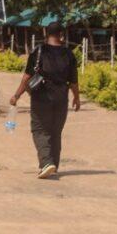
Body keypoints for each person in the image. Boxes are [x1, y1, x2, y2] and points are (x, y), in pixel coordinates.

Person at [10, 22, 81, 179]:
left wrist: (16, 95)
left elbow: (27, 77)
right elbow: (74, 81)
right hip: (61, 97)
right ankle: (53, 164)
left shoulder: (38, 51)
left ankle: (46, 163)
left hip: (41, 97)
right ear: (61, 34)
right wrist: (76, 97)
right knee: (55, 131)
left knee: (39, 130)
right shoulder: (69, 54)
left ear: (46, 33)